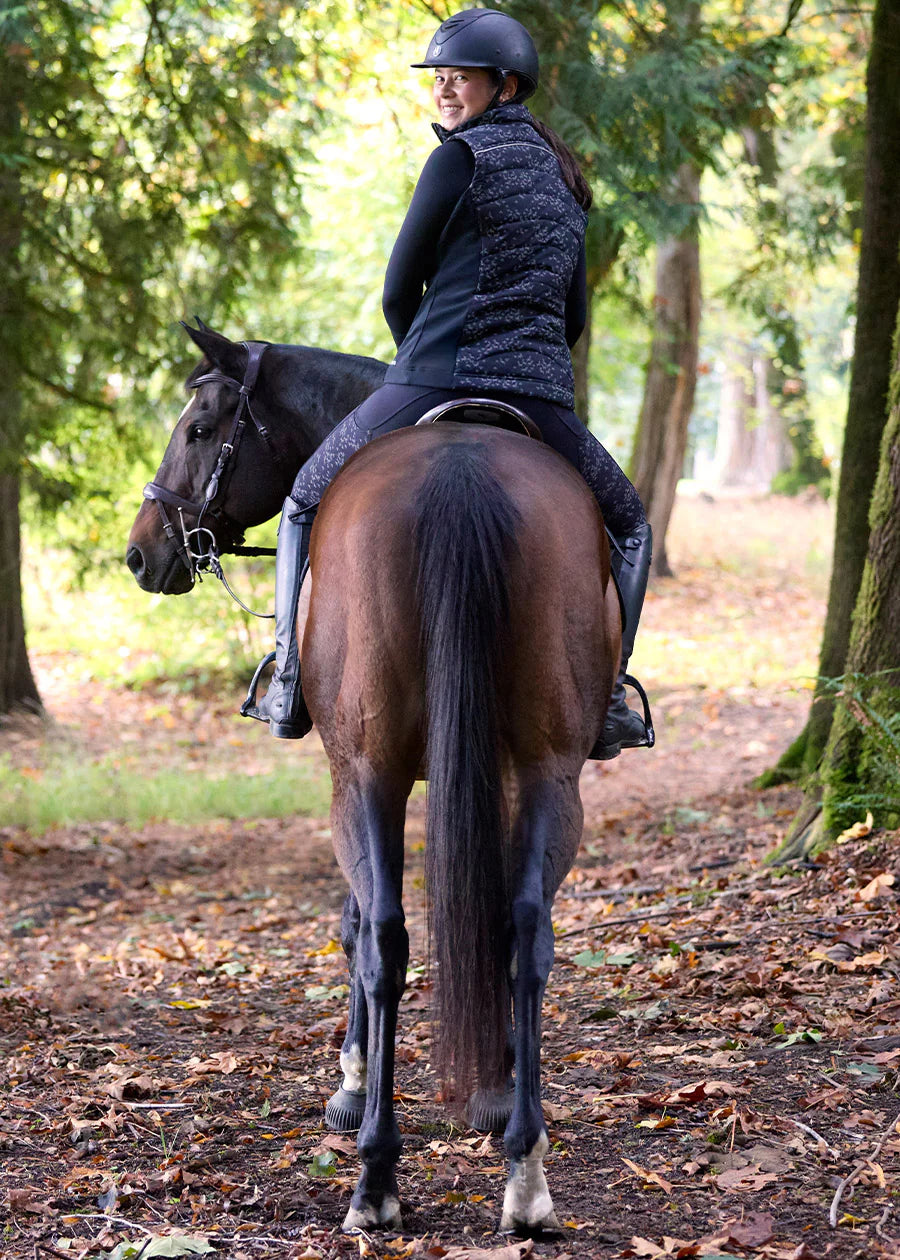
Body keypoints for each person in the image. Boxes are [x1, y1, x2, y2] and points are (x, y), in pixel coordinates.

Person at [242, 6, 652, 760]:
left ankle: (289, 680)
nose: (444, 89)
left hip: (433, 377)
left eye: (460, 77)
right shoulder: (568, 178)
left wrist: (421, 364)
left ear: (506, 85)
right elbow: (574, 316)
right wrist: (528, 368)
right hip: (539, 396)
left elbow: (399, 287)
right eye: (439, 77)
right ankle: (610, 699)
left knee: (303, 497)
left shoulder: (456, 159)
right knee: (629, 526)